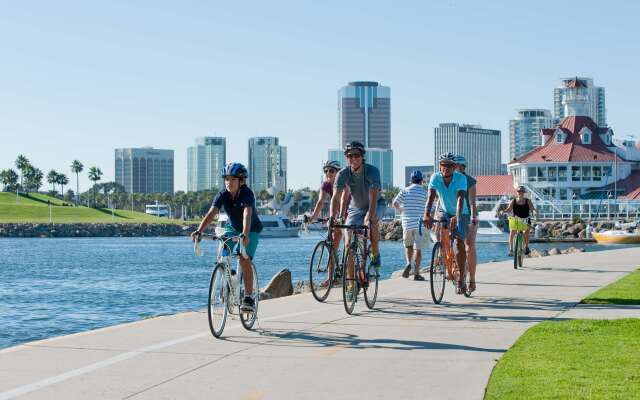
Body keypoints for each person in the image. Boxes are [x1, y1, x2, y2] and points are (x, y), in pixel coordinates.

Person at [191, 162, 263, 311]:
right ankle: (230, 276)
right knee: (223, 252)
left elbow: (247, 215)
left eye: (233, 179)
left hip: (251, 229)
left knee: (244, 259)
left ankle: (248, 298)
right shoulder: (222, 194)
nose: (229, 182)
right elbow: (212, 213)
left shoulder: (247, 194)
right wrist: (199, 231)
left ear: (241, 181)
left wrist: (245, 234)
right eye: (227, 179)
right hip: (232, 227)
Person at [330, 141, 385, 280]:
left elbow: (373, 196)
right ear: (346, 157)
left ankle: (375, 254)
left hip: (376, 204)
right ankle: (350, 283)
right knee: (348, 244)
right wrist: (332, 217)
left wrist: (368, 216)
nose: (353, 158)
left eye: (357, 155)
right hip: (355, 208)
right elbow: (336, 198)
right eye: (350, 156)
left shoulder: (372, 171)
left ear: (362, 157)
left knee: (371, 222)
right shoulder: (342, 174)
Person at [422, 152, 469, 294]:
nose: (446, 168)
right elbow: (430, 197)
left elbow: (460, 199)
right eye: (443, 165)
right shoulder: (435, 177)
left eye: (449, 165)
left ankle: (461, 280)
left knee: (460, 243)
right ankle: (444, 257)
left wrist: (457, 216)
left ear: (454, 167)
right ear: (439, 166)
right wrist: (427, 214)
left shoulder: (461, 178)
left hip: (461, 211)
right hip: (443, 209)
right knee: (442, 235)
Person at [307, 160, 349, 285]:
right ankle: (331, 278)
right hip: (336, 216)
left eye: (331, 170)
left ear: (338, 172)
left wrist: (340, 216)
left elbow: (343, 200)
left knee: (348, 244)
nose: (328, 173)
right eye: (326, 171)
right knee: (332, 248)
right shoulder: (325, 185)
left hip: (349, 213)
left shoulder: (343, 183)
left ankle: (352, 273)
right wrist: (313, 216)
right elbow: (320, 201)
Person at [393, 170, 428, 281]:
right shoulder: (424, 192)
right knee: (418, 249)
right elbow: (430, 208)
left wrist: (401, 209)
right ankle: (417, 273)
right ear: (421, 181)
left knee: (408, 246)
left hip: (407, 223)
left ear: (411, 180)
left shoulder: (405, 191)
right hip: (419, 224)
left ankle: (408, 263)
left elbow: (395, 203)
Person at [455, 155, 478, 293]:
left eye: (458, 166)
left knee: (469, 247)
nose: (456, 169)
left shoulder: (469, 181)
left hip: (468, 215)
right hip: (453, 215)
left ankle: (472, 279)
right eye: (454, 166)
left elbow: (472, 202)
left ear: (463, 167)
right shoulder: (450, 179)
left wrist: (473, 217)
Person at [500, 185, 537, 256]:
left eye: (521, 191)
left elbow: (532, 209)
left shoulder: (527, 201)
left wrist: (535, 212)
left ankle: (526, 247)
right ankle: (511, 250)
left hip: (526, 219)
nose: (520, 192)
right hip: (516, 219)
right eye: (518, 191)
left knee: (526, 232)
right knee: (512, 232)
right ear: (517, 192)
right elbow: (508, 209)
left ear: (524, 192)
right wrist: (503, 211)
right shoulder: (513, 201)